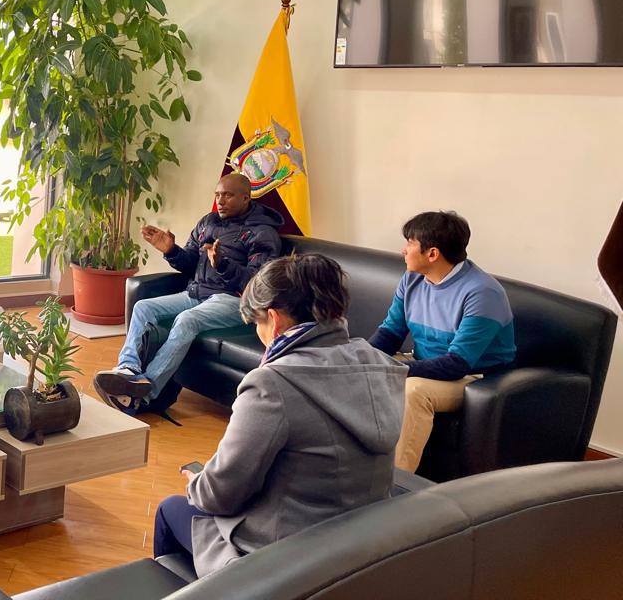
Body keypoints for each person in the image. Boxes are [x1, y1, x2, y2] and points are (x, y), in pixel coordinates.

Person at [152, 254, 406, 577]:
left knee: (171, 509)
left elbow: (221, 495)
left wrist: (198, 485)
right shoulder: (379, 365)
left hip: (283, 562)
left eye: (257, 323)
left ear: (274, 319)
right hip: (361, 549)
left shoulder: (271, 384)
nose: (259, 333)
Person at [94, 173, 283, 413]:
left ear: (246, 198)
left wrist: (223, 265)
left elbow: (257, 283)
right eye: (217, 195)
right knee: (144, 307)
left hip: (233, 300)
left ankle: (145, 391)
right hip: (196, 293)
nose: (220, 201)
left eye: (227, 195)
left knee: (187, 320)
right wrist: (171, 250)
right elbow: (189, 262)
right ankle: (128, 369)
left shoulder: (262, 233)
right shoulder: (208, 222)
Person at [368, 211, 516, 472]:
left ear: (432, 254)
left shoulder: (482, 292)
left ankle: (395, 482)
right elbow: (391, 332)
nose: (403, 250)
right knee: (353, 366)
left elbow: (456, 363)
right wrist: (362, 359)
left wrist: (392, 369)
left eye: (410, 243)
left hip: (473, 377)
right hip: (426, 363)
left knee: (413, 390)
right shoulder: (412, 278)